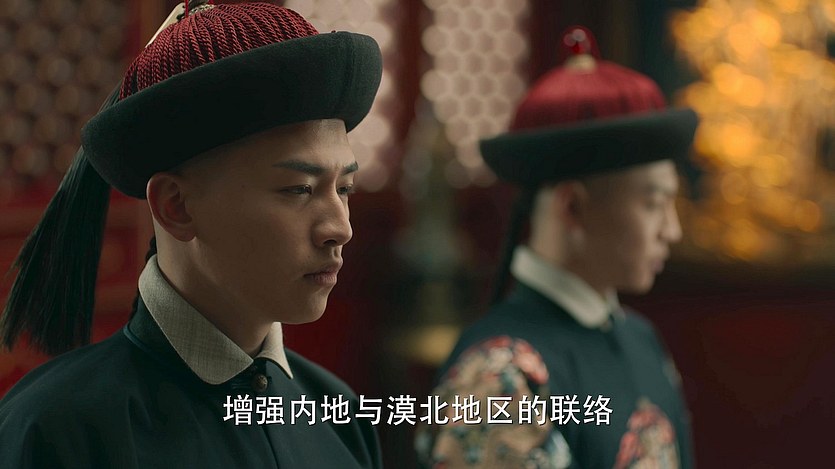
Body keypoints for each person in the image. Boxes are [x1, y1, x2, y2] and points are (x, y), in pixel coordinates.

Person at [0, 2, 383, 467]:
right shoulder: (58, 431)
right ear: (176, 206)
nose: (340, 228)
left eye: (344, 188)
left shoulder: (338, 414)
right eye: (299, 189)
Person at [416, 27, 698, 469]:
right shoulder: (500, 376)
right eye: (653, 204)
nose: (672, 230)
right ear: (573, 207)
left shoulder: (640, 338)